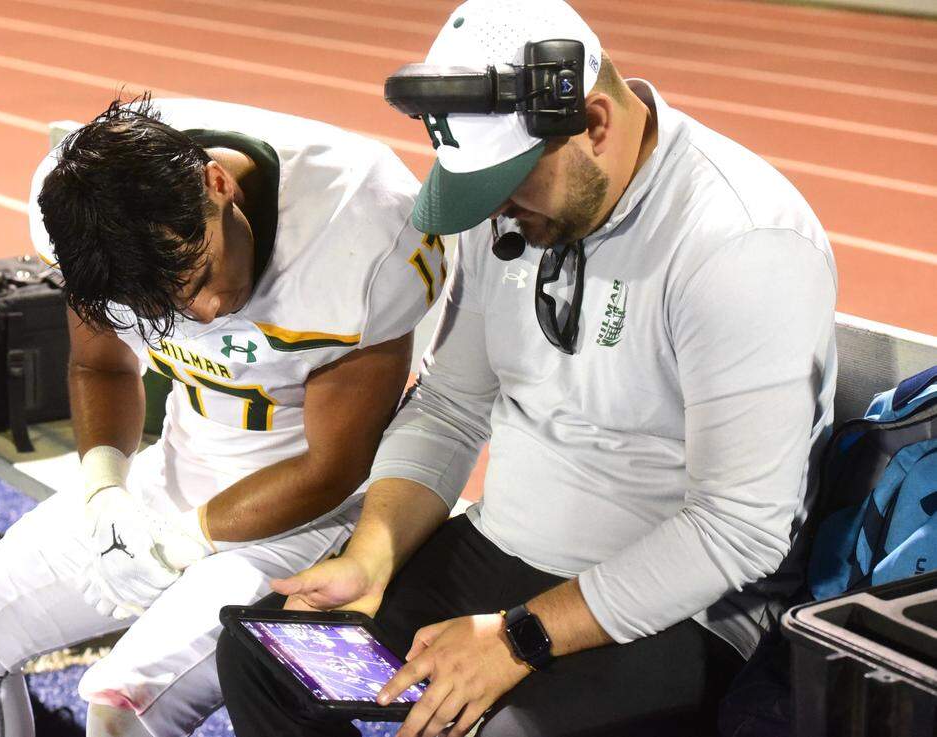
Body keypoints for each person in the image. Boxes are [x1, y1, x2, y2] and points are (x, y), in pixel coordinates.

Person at [215, 1, 838, 735]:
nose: (497, 212)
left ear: (596, 124)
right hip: (503, 551)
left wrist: (519, 638)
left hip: (680, 605)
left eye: (509, 183)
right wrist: (372, 554)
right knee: (267, 657)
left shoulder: (740, 242)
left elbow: (739, 528)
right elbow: (450, 404)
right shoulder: (511, 207)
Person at [0, 94, 445, 737]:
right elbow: (101, 367)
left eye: (198, 277)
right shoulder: (88, 214)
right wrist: (106, 492)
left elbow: (333, 465)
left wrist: (182, 544)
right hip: (174, 472)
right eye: (160, 306)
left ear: (217, 185)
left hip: (311, 520)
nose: (200, 314)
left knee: (120, 712)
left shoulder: (360, 224)